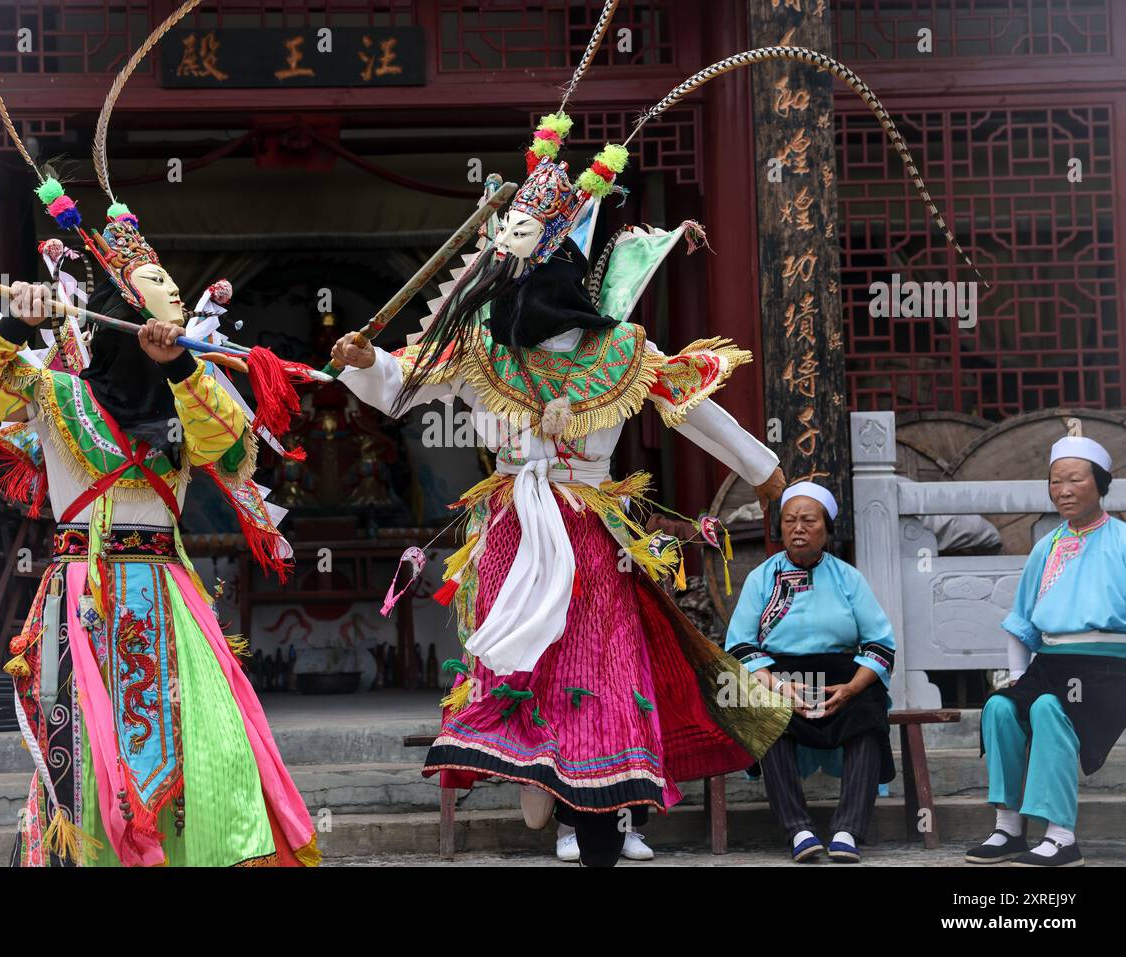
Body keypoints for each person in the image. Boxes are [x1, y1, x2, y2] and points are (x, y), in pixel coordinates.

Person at [331, 103, 792, 866]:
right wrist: (362, 361)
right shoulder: (479, 348)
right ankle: (542, 773)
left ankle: (598, 799)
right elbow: (402, 388)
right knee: (525, 663)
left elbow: (692, 409)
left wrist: (766, 473)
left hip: (591, 526)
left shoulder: (624, 351)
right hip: (515, 524)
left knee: (602, 661)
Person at [0, 2, 317, 865]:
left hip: (172, 601)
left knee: (199, 758)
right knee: (84, 770)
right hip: (82, 601)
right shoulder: (57, 391)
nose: (173, 318)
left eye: (177, 308)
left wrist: (183, 367)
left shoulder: (196, 393)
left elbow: (225, 444)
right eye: (157, 307)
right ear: (117, 314)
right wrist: (11, 328)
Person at [966, 435, 1126, 867]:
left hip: (1107, 668)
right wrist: (1018, 677)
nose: (1065, 490)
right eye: (1056, 482)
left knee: (1048, 709)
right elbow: (1021, 623)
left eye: (1076, 479)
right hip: (1051, 661)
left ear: (1101, 483)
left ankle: (1061, 835)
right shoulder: (1046, 546)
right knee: (1000, 707)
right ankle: (1009, 827)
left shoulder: (1123, 542)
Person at [724, 482, 897, 864]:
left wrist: (852, 688)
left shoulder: (848, 578)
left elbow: (881, 644)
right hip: (778, 677)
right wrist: (778, 685)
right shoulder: (761, 578)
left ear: (827, 529)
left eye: (808, 520)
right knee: (767, 714)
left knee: (868, 714)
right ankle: (798, 830)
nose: (798, 528)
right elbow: (738, 645)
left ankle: (848, 830)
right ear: (780, 529)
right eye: (789, 521)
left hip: (841, 678)